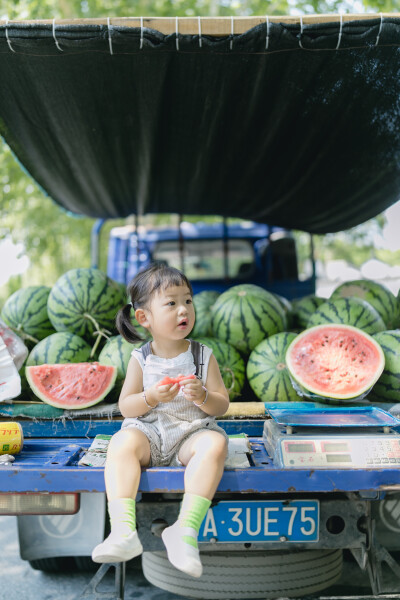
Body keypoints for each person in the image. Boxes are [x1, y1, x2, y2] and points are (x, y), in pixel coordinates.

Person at [92, 263, 230, 578]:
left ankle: (184, 531)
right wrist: (151, 397)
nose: (183, 309)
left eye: (188, 301)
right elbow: (126, 407)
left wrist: (203, 396)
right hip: (149, 433)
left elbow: (221, 405)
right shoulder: (141, 358)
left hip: (189, 435)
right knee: (122, 442)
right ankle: (123, 531)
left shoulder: (202, 355)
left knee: (216, 443)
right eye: (171, 303)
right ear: (144, 318)